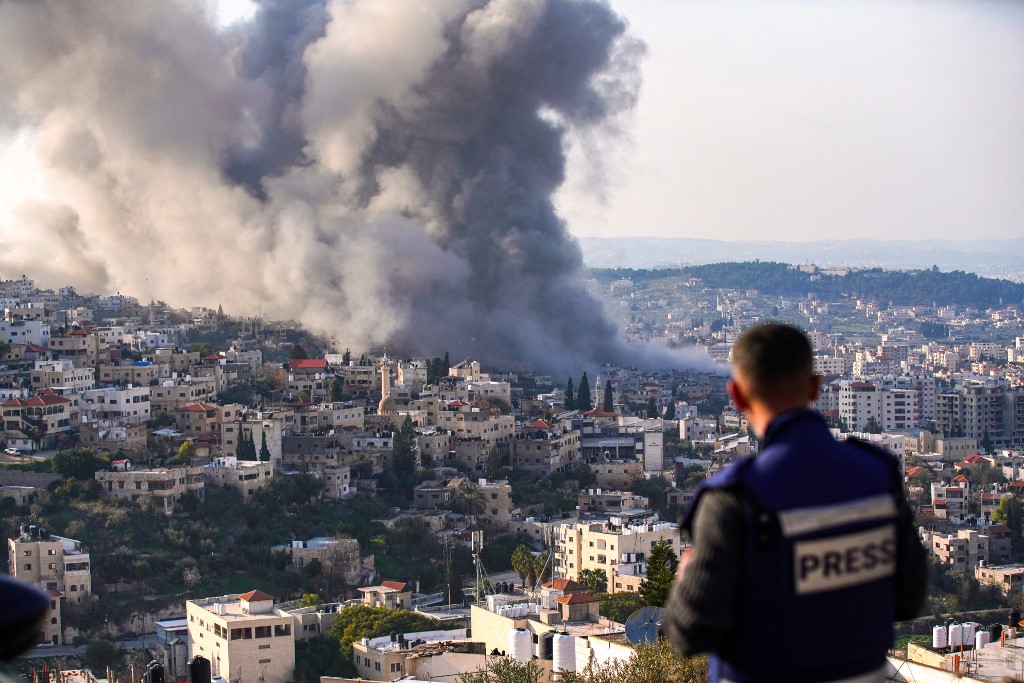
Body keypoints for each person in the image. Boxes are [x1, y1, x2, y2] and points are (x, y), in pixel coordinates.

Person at [661, 322, 927, 683]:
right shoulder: (877, 477)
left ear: (737, 396)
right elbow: (909, 599)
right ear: (816, 387)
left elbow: (689, 632)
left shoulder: (734, 500)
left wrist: (688, 575)